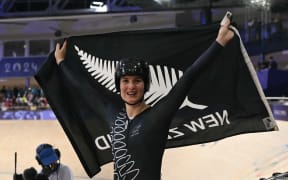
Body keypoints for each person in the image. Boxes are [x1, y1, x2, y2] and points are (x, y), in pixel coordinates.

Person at [54, 12, 234, 180]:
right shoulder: (112, 115)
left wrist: (219, 43)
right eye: (125, 81)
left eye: (137, 81)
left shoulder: (158, 115)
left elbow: (188, 77)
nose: (131, 86)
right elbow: (85, 90)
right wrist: (61, 63)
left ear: (145, 85)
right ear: (119, 85)